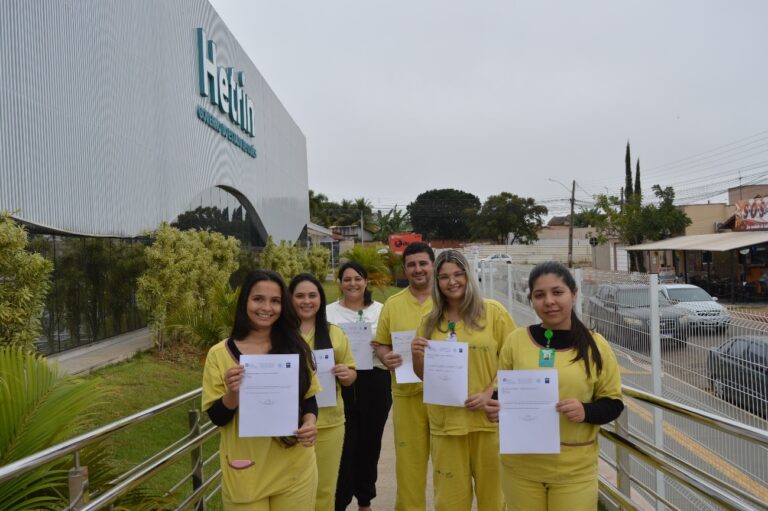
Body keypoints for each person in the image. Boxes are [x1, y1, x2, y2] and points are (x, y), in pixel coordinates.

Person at [485, 261, 624, 511]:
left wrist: (586, 411)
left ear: (574, 293)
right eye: (540, 295)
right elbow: (500, 392)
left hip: (574, 469)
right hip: (520, 467)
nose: (549, 301)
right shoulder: (516, 341)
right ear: (531, 300)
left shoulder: (596, 346)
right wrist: (495, 407)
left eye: (557, 292)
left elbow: (613, 403)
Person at [201, 270, 320, 510]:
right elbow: (217, 417)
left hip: (294, 469)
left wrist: (310, 422)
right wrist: (233, 393)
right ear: (245, 301)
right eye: (258, 299)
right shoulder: (219, 354)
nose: (266, 307)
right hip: (247, 471)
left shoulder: (296, 346)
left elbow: (309, 399)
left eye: (275, 301)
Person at [411, 249, 516, 511]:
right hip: (447, 425)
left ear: (468, 276)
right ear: (436, 281)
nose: (452, 281)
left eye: (458, 274)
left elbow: (514, 363)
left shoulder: (494, 313)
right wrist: (417, 356)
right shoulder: (429, 322)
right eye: (444, 276)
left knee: (494, 499)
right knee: (449, 501)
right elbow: (424, 376)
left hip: (487, 423)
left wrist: (490, 393)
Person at [372, 242, 435, 511]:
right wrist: (386, 357)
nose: (417, 269)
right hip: (407, 396)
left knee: (449, 465)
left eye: (423, 263)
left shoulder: (450, 301)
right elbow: (382, 343)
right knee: (409, 464)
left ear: (433, 265)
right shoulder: (393, 305)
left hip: (446, 397)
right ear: (405, 269)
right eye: (411, 264)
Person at [289, 273, 358, 511]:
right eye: (299, 296)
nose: (306, 301)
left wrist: (346, 374)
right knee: (292, 489)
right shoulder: (280, 335)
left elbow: (351, 374)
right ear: (290, 299)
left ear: (320, 299)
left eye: (312, 295)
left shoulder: (334, 333)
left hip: (329, 423)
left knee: (325, 488)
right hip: (290, 425)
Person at [326, 261, 390, 511]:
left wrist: (383, 348)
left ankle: (365, 500)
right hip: (340, 382)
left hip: (374, 381)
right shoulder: (329, 313)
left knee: (370, 444)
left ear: (366, 282)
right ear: (340, 283)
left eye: (357, 278)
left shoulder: (381, 311)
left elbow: (392, 344)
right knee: (344, 445)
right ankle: (339, 501)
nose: (352, 283)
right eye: (347, 279)